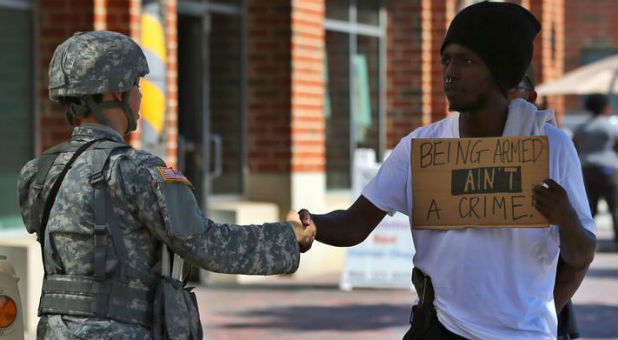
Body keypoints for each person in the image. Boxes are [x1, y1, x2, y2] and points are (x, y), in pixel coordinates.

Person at [296, 2, 596, 339]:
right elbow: (355, 223)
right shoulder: (421, 147)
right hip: (439, 329)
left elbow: (581, 254)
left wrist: (565, 218)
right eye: (446, 60)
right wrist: (311, 225)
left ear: (501, 72)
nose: (450, 73)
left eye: (467, 61)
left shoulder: (550, 148)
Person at [17, 31, 316, 340]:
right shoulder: (139, 172)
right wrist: (288, 236)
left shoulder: (37, 173)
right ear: (112, 94)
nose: (140, 94)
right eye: (135, 84)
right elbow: (207, 244)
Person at [508, 67, 585, 340]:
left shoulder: (554, 146)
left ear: (530, 96)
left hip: (533, 312)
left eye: (510, 86)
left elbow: (583, 249)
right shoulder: (450, 142)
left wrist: (550, 306)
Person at [573, 94, 618, 247]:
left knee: (589, 208)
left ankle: (586, 239)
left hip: (586, 169)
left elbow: (575, 148)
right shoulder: (610, 126)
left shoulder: (581, 128)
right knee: (615, 206)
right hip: (609, 169)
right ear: (606, 107)